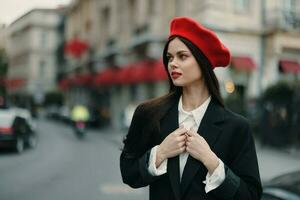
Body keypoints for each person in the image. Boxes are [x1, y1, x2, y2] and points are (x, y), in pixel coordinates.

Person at [120, 17, 262, 200]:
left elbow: (250, 196)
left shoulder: (236, 127)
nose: (172, 63)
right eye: (169, 57)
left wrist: (212, 161)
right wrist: (160, 152)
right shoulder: (149, 114)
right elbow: (128, 172)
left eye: (182, 56)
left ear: (202, 62)